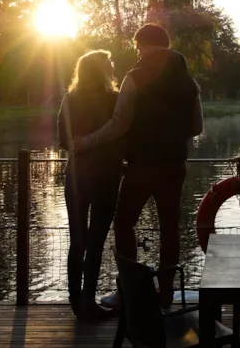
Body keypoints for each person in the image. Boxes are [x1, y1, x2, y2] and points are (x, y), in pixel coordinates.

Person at [72, 23, 203, 309]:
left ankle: (131, 292)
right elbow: (197, 127)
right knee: (170, 229)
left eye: (137, 48)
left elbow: (119, 124)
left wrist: (87, 141)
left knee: (124, 223)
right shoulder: (189, 82)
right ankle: (165, 294)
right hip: (175, 166)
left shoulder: (135, 77)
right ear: (167, 45)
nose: (138, 54)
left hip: (141, 165)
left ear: (142, 45)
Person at [58, 49, 124, 321]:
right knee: (96, 241)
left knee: (77, 240)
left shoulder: (70, 98)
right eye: (109, 62)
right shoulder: (114, 99)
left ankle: (75, 300)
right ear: (100, 69)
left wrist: (81, 144)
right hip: (106, 176)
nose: (113, 65)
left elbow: (63, 140)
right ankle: (89, 300)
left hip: (76, 176)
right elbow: (122, 134)